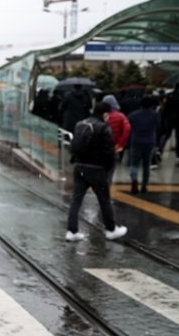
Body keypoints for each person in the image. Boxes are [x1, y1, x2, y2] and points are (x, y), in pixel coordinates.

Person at [65, 102, 128, 242]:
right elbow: (108, 151)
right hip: (96, 169)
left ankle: (72, 230)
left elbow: (74, 146)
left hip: (79, 167)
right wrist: (107, 167)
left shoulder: (80, 124)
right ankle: (111, 229)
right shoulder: (104, 128)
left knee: (76, 199)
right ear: (105, 114)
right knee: (104, 200)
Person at [127, 96, 160, 194]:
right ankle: (144, 185)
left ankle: (134, 179)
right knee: (146, 164)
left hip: (136, 141)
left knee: (134, 164)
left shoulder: (133, 115)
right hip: (149, 141)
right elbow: (159, 127)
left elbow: (128, 127)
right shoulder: (155, 115)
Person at [102, 94, 132, 166]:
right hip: (116, 144)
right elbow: (127, 129)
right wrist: (121, 144)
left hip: (103, 145)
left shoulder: (102, 116)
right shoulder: (120, 116)